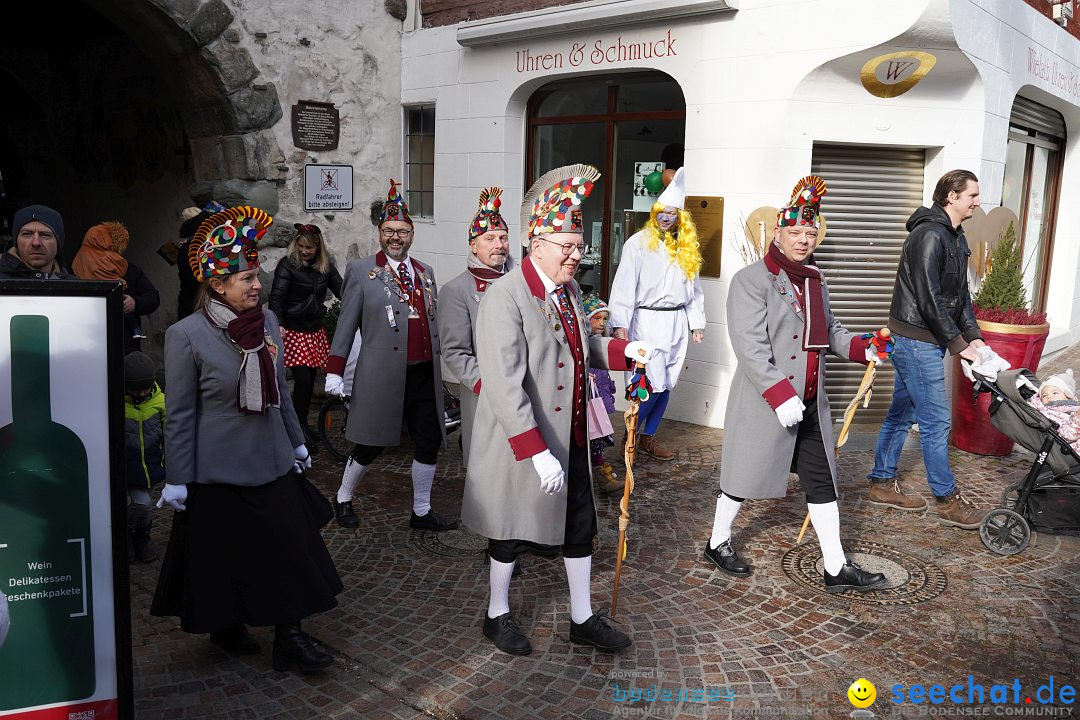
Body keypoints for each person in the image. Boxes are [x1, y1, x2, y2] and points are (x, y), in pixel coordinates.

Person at [460, 163, 650, 656]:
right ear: (535, 243)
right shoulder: (505, 296)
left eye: (578, 246)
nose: (575, 255)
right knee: (510, 528)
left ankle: (582, 617)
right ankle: (496, 613)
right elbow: (502, 384)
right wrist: (535, 451)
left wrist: (622, 353)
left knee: (580, 523)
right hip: (522, 439)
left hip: (572, 431)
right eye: (565, 247)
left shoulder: (565, 289)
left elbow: (581, 343)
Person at [150, 205, 342, 675]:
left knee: (288, 546)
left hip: (271, 457)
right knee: (222, 554)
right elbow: (179, 414)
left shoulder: (269, 323)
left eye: (256, 276)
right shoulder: (186, 336)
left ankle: (289, 636)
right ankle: (226, 624)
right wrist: (176, 477)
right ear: (217, 285)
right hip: (216, 469)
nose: (257, 286)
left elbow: (277, 393)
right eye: (245, 279)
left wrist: (297, 442)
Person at [705, 175, 888, 593]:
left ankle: (836, 567)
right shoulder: (751, 280)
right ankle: (717, 541)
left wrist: (864, 349)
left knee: (822, 481)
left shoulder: (814, 279)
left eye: (811, 232)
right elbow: (749, 346)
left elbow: (832, 330)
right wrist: (779, 394)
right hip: (765, 401)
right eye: (796, 232)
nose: (804, 240)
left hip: (810, 403)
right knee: (741, 477)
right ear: (778, 233)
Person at [866, 170, 1008, 529]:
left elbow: (960, 297)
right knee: (936, 422)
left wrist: (973, 335)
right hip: (915, 341)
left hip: (921, 340)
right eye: (972, 195)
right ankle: (947, 501)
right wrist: (958, 345)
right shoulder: (929, 235)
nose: (978, 201)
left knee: (902, 413)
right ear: (951, 196)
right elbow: (929, 300)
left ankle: (881, 482)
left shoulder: (954, 236)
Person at [323, 180, 456, 532]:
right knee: (370, 442)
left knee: (429, 441)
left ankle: (422, 511)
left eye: (402, 231)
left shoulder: (426, 273)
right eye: (388, 231)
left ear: (412, 234)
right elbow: (346, 324)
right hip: (382, 374)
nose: (395, 237)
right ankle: (343, 496)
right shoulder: (361, 271)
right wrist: (335, 370)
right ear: (380, 233)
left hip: (424, 373)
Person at [609, 168, 705, 461]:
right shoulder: (636, 244)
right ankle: (632, 432)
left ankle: (648, 436)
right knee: (647, 382)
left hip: (675, 322)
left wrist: (696, 323)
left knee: (668, 381)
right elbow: (624, 285)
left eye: (671, 213)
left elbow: (695, 290)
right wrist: (620, 324)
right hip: (646, 323)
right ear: (654, 213)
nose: (665, 217)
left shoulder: (686, 249)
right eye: (661, 212)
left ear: (680, 217)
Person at [437, 187, 514, 467]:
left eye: (503, 237)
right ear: (473, 244)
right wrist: (488, 385)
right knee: (488, 467)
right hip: (486, 395)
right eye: (490, 238)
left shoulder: (525, 282)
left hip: (528, 389)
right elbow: (455, 352)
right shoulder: (457, 291)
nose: (499, 244)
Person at [269, 223, 344, 445]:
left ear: (317, 248)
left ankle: (302, 424)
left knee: (310, 380)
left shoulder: (325, 265)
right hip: (293, 330)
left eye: (309, 247)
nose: (304, 251)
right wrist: (278, 324)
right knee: (302, 379)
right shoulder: (287, 265)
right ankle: (297, 429)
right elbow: (277, 297)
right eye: (301, 246)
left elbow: (342, 290)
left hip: (313, 330)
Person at [72, 221, 161, 354]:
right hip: (89, 344)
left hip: (121, 346)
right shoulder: (72, 271)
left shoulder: (131, 270)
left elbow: (152, 297)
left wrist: (135, 303)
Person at [123, 351, 166, 563]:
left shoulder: (160, 401)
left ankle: (141, 539)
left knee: (144, 505)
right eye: (134, 389)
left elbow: (170, 430)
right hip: (124, 466)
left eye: (144, 389)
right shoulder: (115, 402)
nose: (140, 394)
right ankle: (122, 534)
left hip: (147, 466)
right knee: (133, 503)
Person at [583, 295, 621, 494]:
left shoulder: (601, 342)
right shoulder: (583, 342)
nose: (601, 323)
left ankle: (599, 473)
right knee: (593, 439)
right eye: (596, 318)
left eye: (604, 319)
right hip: (588, 403)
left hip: (599, 401)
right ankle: (600, 477)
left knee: (598, 438)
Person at [176, 201, 226, 320]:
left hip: (205, 302)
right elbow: (192, 280)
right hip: (198, 303)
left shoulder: (209, 245)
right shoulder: (190, 249)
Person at [0, 204, 72, 280]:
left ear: (58, 243)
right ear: (16, 242)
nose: (36, 243)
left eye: (45, 235)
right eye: (27, 234)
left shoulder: (75, 287)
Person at [1028, 370, 1080, 452]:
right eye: (1044, 395)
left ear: (1068, 396)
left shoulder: (1070, 409)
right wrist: (1077, 417)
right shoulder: (1049, 413)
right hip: (1069, 450)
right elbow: (1066, 436)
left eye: (1054, 393)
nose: (1049, 397)